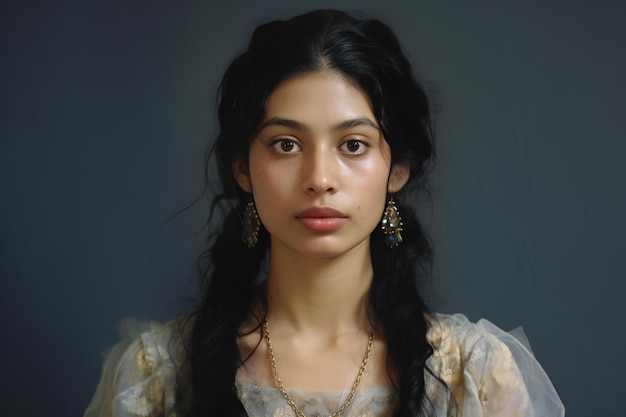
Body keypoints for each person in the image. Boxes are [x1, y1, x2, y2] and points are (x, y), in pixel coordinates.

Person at [84, 9, 564, 417]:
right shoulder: (157, 376)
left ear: (397, 168)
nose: (319, 178)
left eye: (353, 145)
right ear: (243, 169)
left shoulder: (474, 377)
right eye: (286, 144)